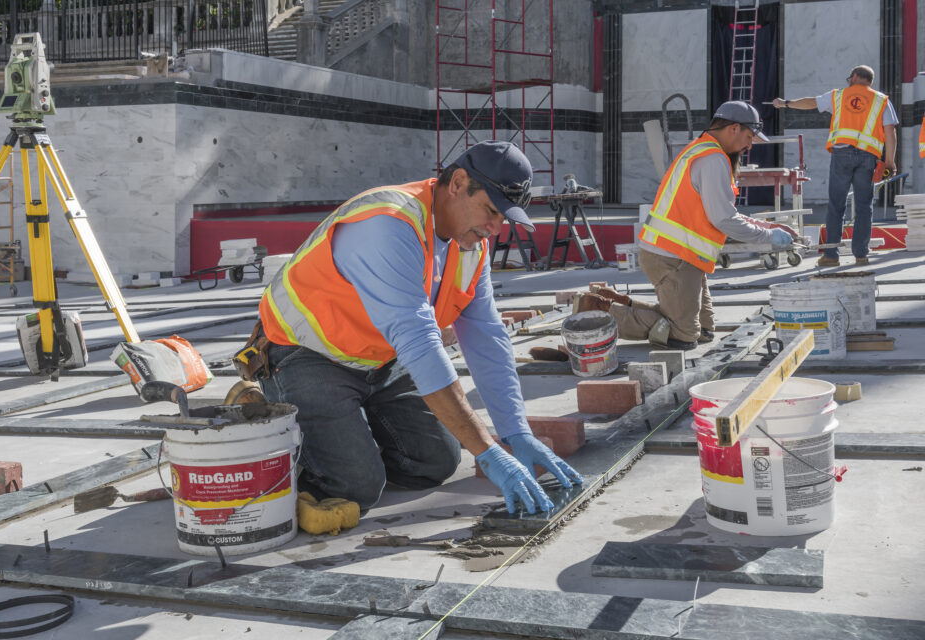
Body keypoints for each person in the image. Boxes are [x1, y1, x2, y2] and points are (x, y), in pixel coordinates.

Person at [242, 141, 583, 516]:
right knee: (355, 488)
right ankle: (275, 421)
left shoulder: (470, 245)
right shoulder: (388, 223)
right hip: (305, 356)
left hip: (378, 360)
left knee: (435, 461)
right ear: (457, 183)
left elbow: (486, 336)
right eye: (491, 210)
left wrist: (515, 431)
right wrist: (487, 452)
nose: (495, 228)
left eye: (504, 218)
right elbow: (420, 344)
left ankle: (345, 432)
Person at [578, 101, 795, 350]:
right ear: (733, 128)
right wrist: (768, 237)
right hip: (673, 257)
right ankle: (593, 312)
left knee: (704, 330)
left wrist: (767, 227)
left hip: (682, 255)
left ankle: (611, 301)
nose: (748, 146)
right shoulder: (713, 159)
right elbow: (724, 219)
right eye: (748, 137)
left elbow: (723, 212)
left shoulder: (701, 149)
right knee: (684, 336)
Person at [773, 65, 898, 267]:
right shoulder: (881, 100)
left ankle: (831, 255)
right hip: (868, 157)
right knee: (865, 207)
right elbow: (890, 131)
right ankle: (861, 255)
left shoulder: (839, 96)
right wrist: (890, 161)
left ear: (856, 76)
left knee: (836, 205)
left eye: (850, 77)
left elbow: (811, 103)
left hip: (842, 156)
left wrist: (786, 103)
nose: (848, 81)